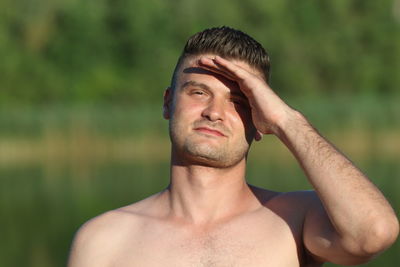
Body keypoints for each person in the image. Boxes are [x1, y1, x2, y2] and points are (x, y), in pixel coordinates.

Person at [68, 26, 399, 266]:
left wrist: (287, 121)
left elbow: (374, 232)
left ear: (260, 117)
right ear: (168, 103)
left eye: (240, 101)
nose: (214, 112)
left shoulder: (294, 220)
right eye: (198, 93)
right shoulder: (105, 239)